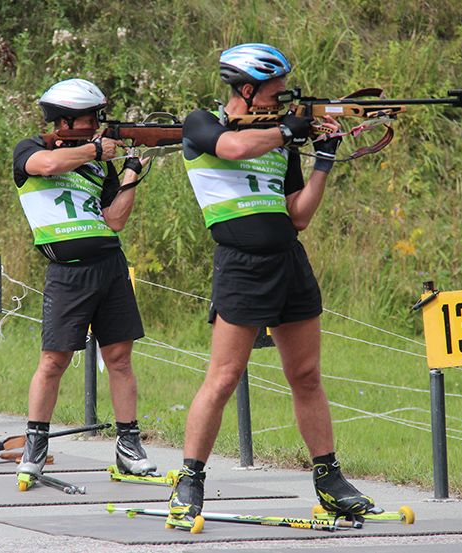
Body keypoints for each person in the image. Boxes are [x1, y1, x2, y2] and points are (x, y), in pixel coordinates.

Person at [168, 44, 376, 526]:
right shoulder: (202, 123)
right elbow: (232, 148)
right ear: (246, 90)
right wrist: (287, 131)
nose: (283, 102)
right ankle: (189, 480)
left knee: (306, 375)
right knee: (223, 377)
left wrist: (323, 160)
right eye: (276, 94)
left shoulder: (280, 141)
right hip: (241, 266)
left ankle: (329, 480)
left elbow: (298, 215)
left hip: (289, 261)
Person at [12, 78, 156, 482]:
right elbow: (47, 166)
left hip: (110, 264)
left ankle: (129, 446)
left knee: (120, 358)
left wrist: (129, 175)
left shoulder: (99, 165)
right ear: (64, 121)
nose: (96, 124)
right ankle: (35, 446)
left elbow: (115, 220)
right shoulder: (30, 149)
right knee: (53, 361)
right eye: (90, 118)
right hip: (68, 272)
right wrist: (95, 149)